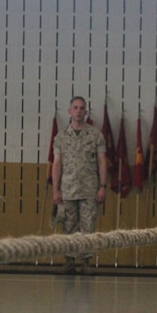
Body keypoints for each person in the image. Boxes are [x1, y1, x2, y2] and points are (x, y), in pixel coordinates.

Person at [52, 96, 108, 274]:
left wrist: (102, 186)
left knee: (87, 226)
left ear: (86, 112)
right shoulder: (60, 137)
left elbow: (102, 162)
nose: (78, 111)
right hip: (68, 189)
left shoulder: (95, 135)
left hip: (89, 189)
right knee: (68, 226)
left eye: (81, 108)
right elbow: (57, 164)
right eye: (75, 107)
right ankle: (69, 261)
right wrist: (55, 190)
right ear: (69, 111)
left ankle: (85, 262)